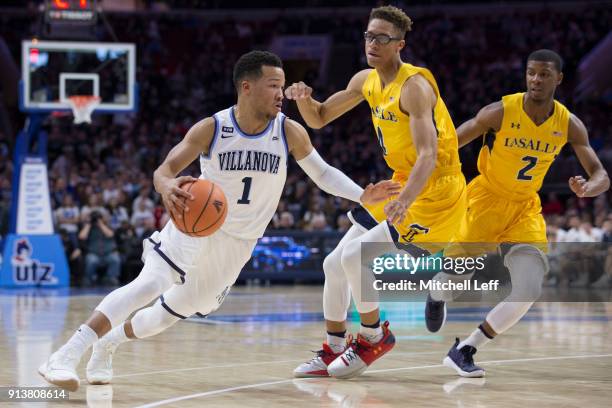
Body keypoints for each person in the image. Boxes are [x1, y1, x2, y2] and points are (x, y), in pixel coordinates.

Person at [38, 50, 399, 392]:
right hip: (195, 226)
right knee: (149, 283)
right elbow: (165, 169)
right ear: (247, 86)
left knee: (165, 316)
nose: (281, 94)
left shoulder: (288, 131)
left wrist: (361, 195)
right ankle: (66, 354)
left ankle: (109, 343)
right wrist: (165, 185)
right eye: (273, 85)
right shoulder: (212, 128)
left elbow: (322, 173)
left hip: (237, 244)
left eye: (282, 84)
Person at [285, 5, 466, 379]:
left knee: (354, 257)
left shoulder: (414, 87)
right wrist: (303, 97)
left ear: (400, 44)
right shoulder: (365, 80)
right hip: (402, 180)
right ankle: (334, 347)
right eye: (369, 36)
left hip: (435, 191)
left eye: (382, 38)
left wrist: (404, 200)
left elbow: (429, 156)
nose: (372, 43)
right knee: (332, 264)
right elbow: (318, 117)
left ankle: (373, 337)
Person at [425, 49, 610, 377]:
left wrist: (587, 188)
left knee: (528, 289)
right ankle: (435, 294)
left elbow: (601, 176)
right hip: (483, 202)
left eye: (544, 74)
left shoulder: (569, 124)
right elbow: (450, 143)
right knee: (455, 281)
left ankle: (465, 349)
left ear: (559, 79)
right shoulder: (499, 112)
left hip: (525, 209)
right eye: (531, 73)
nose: (536, 79)